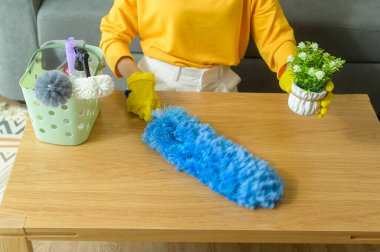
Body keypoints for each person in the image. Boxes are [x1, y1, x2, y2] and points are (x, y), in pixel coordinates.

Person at [100, 0, 333, 121]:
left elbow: (277, 39)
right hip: (156, 90)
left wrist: (296, 75)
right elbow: (113, 35)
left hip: (221, 88)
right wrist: (136, 79)